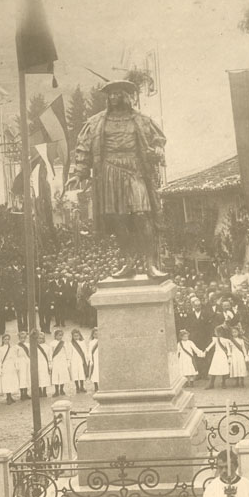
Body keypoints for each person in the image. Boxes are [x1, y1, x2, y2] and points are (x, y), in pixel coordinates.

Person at [66, 80, 166, 278]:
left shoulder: (141, 120)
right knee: (118, 219)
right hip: (109, 172)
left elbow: (158, 141)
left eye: (117, 93)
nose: (112, 97)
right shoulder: (96, 122)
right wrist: (78, 173)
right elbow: (84, 149)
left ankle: (150, 263)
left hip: (135, 170)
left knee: (141, 214)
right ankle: (128, 261)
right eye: (110, 94)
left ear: (125, 96)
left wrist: (157, 149)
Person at [205, 325, 232, 389]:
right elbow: (211, 345)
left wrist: (229, 355)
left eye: (216, 332)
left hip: (223, 355)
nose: (215, 333)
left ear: (219, 333)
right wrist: (206, 350)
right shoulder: (215, 339)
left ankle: (223, 383)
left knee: (223, 369)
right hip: (216, 355)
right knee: (214, 368)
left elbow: (228, 348)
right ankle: (211, 383)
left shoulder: (226, 340)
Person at [0, 334, 19, 405]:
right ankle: (8, 397)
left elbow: (15, 357)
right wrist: (0, 368)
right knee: (6, 381)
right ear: (3, 340)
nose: (7, 340)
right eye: (5, 339)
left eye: (8, 339)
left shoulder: (12, 348)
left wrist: (16, 366)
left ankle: (10, 396)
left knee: (11, 381)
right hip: (5, 366)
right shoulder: (0, 349)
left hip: (11, 365)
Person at [50, 329, 70, 396]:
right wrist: (50, 362)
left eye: (61, 335)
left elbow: (67, 352)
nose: (60, 337)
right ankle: (56, 391)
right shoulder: (52, 343)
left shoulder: (64, 343)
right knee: (56, 375)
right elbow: (51, 353)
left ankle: (61, 389)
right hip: (55, 360)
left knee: (62, 375)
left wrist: (67, 360)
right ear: (55, 336)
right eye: (59, 335)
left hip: (62, 361)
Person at [68, 329, 88, 394]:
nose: (76, 337)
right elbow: (70, 353)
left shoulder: (82, 342)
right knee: (75, 374)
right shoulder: (71, 344)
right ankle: (77, 387)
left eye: (77, 336)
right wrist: (69, 361)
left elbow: (85, 351)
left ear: (80, 335)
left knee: (81, 373)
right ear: (72, 336)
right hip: (74, 360)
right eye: (74, 336)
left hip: (81, 359)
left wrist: (85, 359)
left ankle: (82, 386)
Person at [15, 332, 31, 401]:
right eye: (21, 338)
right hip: (20, 362)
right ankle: (22, 394)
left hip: (27, 361)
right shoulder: (16, 346)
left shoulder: (28, 345)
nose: (23, 339)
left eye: (24, 338)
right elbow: (15, 356)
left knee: (27, 377)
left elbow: (30, 353)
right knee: (22, 378)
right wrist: (16, 365)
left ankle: (26, 393)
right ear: (19, 338)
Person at [36, 331, 52, 398]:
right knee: (38, 377)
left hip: (44, 363)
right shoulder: (34, 347)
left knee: (45, 377)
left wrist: (50, 364)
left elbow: (49, 356)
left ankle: (44, 391)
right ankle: (39, 390)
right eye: (39, 338)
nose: (40, 340)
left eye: (42, 338)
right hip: (37, 363)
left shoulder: (47, 347)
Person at [88, 327, 99, 392]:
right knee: (95, 372)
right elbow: (90, 351)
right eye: (95, 334)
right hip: (94, 358)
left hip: (100, 358)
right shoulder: (91, 342)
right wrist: (91, 360)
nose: (97, 335)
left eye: (98, 334)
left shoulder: (102, 341)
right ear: (92, 335)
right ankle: (96, 386)